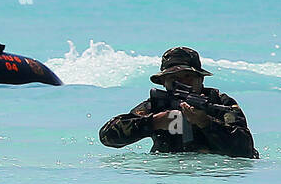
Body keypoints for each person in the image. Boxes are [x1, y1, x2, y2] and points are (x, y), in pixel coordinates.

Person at [98, 47, 259, 158]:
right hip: (171, 173)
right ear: (163, 83)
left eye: (188, 77)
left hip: (212, 176)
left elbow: (245, 151)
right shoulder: (157, 105)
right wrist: (153, 122)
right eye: (174, 78)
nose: (182, 83)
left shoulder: (220, 103)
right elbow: (107, 137)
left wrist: (206, 123)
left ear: (201, 79)